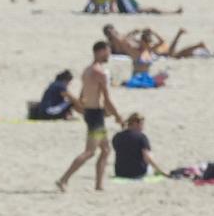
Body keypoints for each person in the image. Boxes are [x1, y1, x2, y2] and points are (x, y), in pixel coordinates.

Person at [55, 41, 123, 192]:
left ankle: (99, 185)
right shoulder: (99, 72)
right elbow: (106, 98)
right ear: (99, 52)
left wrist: (81, 107)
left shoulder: (87, 70)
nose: (109, 55)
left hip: (91, 112)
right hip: (95, 115)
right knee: (90, 151)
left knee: (105, 150)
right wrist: (118, 116)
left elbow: (83, 94)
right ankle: (64, 179)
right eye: (107, 52)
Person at [110, 112, 161, 180]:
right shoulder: (141, 137)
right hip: (137, 173)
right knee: (149, 154)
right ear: (135, 124)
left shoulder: (117, 136)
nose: (143, 127)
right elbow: (147, 157)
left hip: (120, 173)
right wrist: (159, 170)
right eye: (142, 124)